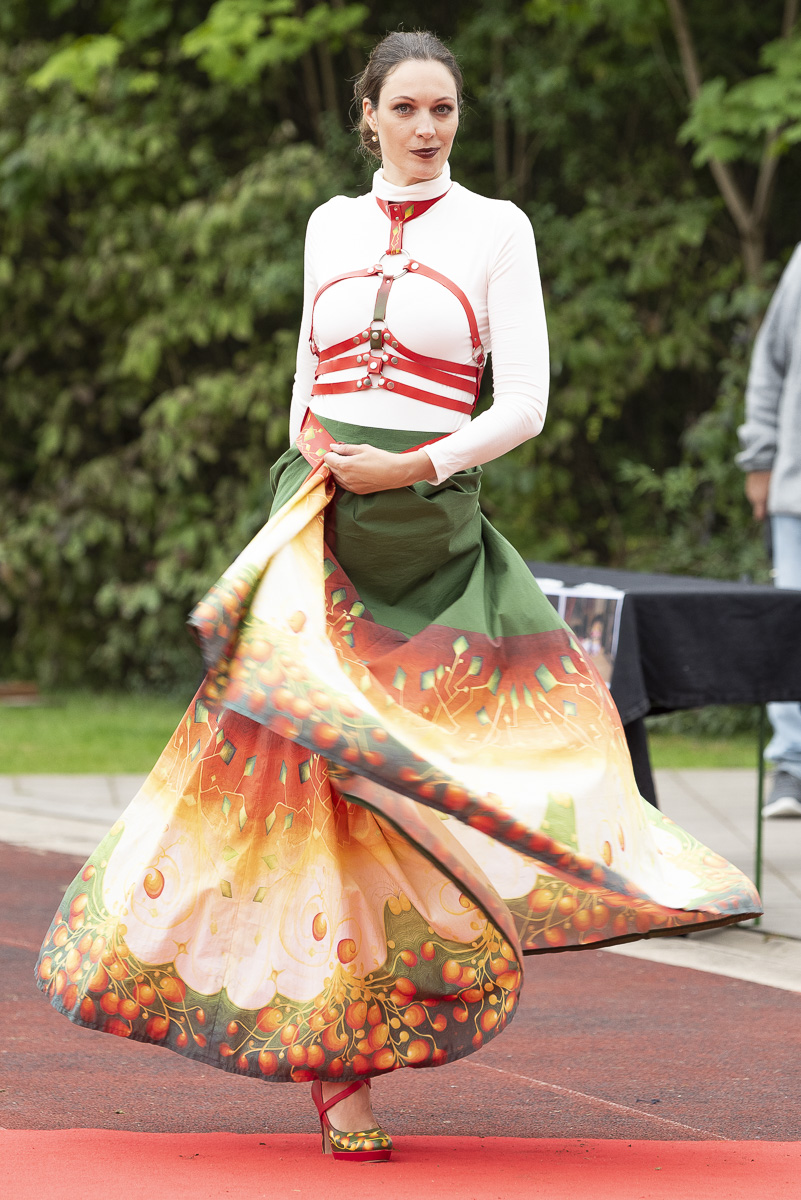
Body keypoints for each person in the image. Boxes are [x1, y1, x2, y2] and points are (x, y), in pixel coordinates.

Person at [35, 30, 760, 1164]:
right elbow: (304, 373)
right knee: (300, 786)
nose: (427, 128)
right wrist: (314, 458)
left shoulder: (497, 228)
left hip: (429, 533)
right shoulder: (327, 223)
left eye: (444, 110)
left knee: (419, 785)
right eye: (407, 108)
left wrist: (412, 466)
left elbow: (524, 403)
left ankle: (439, 979)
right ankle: (340, 1074)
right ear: (366, 114)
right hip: (318, 528)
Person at [738, 245, 801, 818]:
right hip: (797, 493)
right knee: (791, 629)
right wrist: (759, 457)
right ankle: (792, 767)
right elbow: (771, 364)